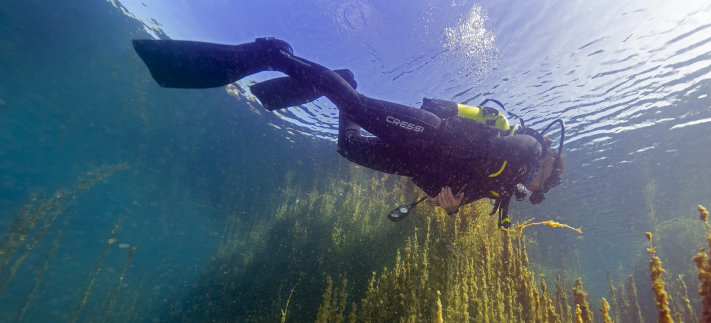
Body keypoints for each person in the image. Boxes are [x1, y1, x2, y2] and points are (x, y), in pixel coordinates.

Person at [132, 37, 564, 227]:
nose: (534, 188)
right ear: (546, 164)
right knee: (354, 107)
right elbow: (485, 155)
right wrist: (481, 184)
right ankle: (272, 54)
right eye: (542, 182)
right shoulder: (528, 150)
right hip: (429, 134)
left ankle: (342, 80)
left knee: (348, 145)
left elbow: (459, 188)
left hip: (413, 162)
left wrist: (447, 205)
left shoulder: (503, 188)